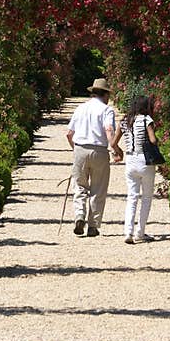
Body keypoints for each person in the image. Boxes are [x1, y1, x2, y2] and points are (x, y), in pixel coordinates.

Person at [66, 78, 118, 237]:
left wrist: (76, 150)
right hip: (99, 151)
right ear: (105, 94)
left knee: (79, 186)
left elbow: (69, 134)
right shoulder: (106, 110)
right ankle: (93, 225)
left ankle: (79, 215)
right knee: (98, 189)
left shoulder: (80, 108)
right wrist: (115, 148)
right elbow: (108, 129)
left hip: (80, 149)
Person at [110, 95, 158, 244]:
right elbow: (153, 140)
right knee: (146, 198)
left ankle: (128, 232)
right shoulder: (146, 120)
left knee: (132, 197)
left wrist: (120, 152)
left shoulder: (125, 121)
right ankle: (140, 232)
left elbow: (113, 143)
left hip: (130, 161)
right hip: (145, 161)